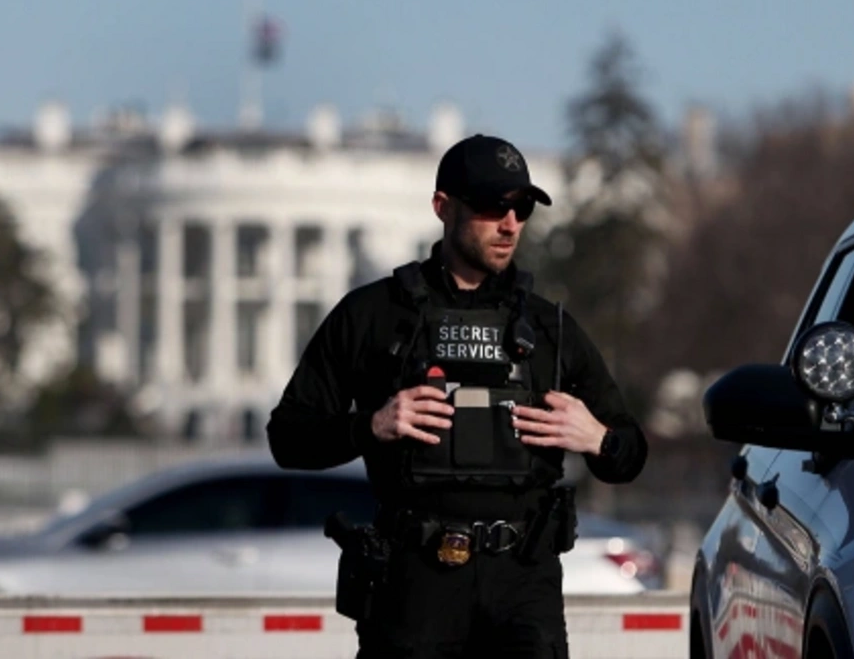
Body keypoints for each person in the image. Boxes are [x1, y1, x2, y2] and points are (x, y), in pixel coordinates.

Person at [267, 133, 648, 659]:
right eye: (493, 207)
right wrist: (369, 426)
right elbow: (287, 439)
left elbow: (630, 452)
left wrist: (599, 439)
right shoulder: (372, 316)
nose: (510, 224)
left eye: (521, 209)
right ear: (443, 208)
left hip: (522, 587)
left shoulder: (550, 329)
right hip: (414, 588)